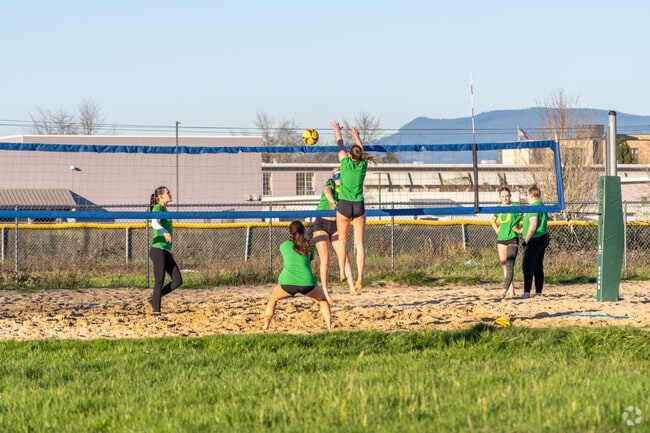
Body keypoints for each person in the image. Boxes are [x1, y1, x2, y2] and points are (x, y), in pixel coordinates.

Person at [330, 121, 376, 294]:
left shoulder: (344, 162)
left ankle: (342, 271)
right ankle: (361, 277)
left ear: (349, 155)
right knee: (359, 244)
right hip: (359, 206)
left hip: (344, 205)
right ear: (360, 155)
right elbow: (360, 151)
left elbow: (339, 145)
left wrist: (337, 131)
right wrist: (357, 136)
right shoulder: (363, 164)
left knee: (342, 241)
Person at [262, 220, 331, 330]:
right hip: (307, 283)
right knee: (322, 300)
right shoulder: (310, 246)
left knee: (273, 299)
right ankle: (329, 327)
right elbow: (310, 259)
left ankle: (266, 325)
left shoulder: (284, 246)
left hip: (287, 282)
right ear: (303, 232)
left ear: (290, 232)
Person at [312, 168, 355, 301]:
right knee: (325, 259)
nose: (338, 175)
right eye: (336, 173)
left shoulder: (345, 188)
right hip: (322, 223)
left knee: (344, 256)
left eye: (341, 173)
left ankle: (352, 288)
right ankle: (325, 291)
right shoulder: (330, 183)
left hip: (337, 225)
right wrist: (332, 202)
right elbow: (327, 191)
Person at [148, 186, 182, 315]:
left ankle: (154, 299)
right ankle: (156, 310)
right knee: (159, 280)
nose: (170, 194)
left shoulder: (165, 209)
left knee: (178, 280)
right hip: (157, 250)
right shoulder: (158, 208)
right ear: (160, 196)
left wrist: (170, 249)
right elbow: (155, 224)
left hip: (165, 250)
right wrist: (165, 231)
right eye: (167, 193)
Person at [519, 184, 550, 298]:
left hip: (535, 238)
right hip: (543, 236)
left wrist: (526, 241)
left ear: (531, 195)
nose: (526, 197)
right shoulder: (541, 205)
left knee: (527, 265)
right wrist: (520, 230)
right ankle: (538, 292)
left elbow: (533, 225)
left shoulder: (533, 207)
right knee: (538, 265)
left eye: (527, 195)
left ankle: (527, 292)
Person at [490, 186, 521, 298]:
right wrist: (497, 229)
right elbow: (492, 220)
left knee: (510, 264)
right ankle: (511, 291)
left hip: (512, 237)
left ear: (510, 196)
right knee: (504, 265)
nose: (505, 198)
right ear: (499, 197)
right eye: (502, 196)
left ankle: (505, 290)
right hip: (501, 239)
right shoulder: (498, 208)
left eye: (507, 196)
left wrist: (521, 230)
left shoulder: (516, 206)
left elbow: (527, 216)